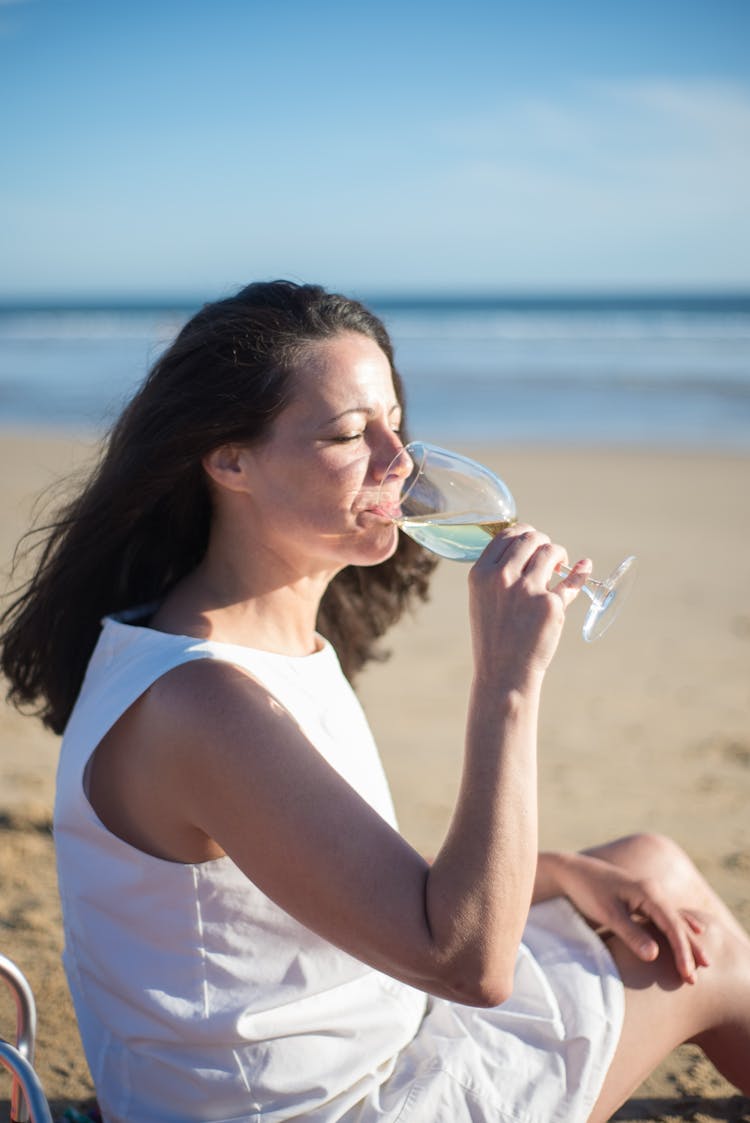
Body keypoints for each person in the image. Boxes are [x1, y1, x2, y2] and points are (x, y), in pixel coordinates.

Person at [1, 280, 748, 1123]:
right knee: (704, 953)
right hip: (337, 1105)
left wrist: (558, 874)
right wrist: (507, 680)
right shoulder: (204, 702)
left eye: (396, 422)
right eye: (351, 434)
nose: (400, 461)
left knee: (646, 864)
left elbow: (315, 887)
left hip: (367, 1034)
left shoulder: (221, 641)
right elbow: (467, 963)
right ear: (229, 458)